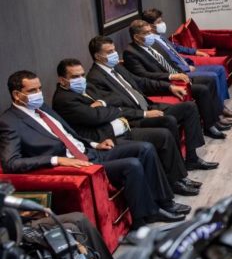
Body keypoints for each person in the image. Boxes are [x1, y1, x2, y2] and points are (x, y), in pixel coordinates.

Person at [0, 70, 187, 229]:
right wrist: (56, 160)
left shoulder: (43, 108)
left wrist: (95, 144)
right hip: (79, 164)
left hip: (90, 151)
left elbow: (69, 134)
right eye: (32, 91)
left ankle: (164, 202)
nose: (38, 94)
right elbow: (11, 163)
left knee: (145, 148)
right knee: (132, 165)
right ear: (17, 95)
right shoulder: (9, 122)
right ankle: (144, 219)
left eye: (39, 89)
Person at [52, 58, 201, 196]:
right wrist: (112, 109)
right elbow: (96, 117)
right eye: (75, 77)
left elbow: (116, 98)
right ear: (62, 80)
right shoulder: (64, 99)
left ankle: (178, 179)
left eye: (82, 75)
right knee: (154, 140)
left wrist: (103, 104)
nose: (81, 79)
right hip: (107, 138)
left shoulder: (87, 86)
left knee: (164, 135)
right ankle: (169, 190)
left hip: (123, 127)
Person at [85, 35, 220, 171]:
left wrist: (169, 87)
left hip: (148, 106)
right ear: (98, 56)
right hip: (134, 119)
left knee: (189, 107)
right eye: (109, 52)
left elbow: (140, 82)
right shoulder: (94, 79)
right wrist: (144, 114)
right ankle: (176, 168)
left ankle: (192, 159)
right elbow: (113, 109)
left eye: (114, 50)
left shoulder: (116, 67)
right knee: (169, 120)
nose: (114, 54)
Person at [121, 20, 229, 139]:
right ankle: (209, 127)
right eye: (146, 33)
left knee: (210, 80)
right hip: (163, 83)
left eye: (150, 31)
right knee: (202, 89)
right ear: (136, 37)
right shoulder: (130, 53)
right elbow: (144, 75)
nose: (150, 35)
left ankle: (215, 120)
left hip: (177, 76)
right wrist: (171, 76)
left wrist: (182, 73)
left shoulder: (154, 44)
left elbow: (170, 63)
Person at [140, 8, 232, 120]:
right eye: (158, 22)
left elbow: (176, 47)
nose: (162, 24)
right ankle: (219, 110)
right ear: (150, 26)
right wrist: (185, 68)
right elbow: (165, 64)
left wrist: (195, 52)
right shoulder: (151, 44)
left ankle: (221, 106)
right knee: (213, 76)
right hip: (180, 71)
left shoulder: (160, 36)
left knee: (220, 69)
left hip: (186, 64)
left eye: (161, 20)